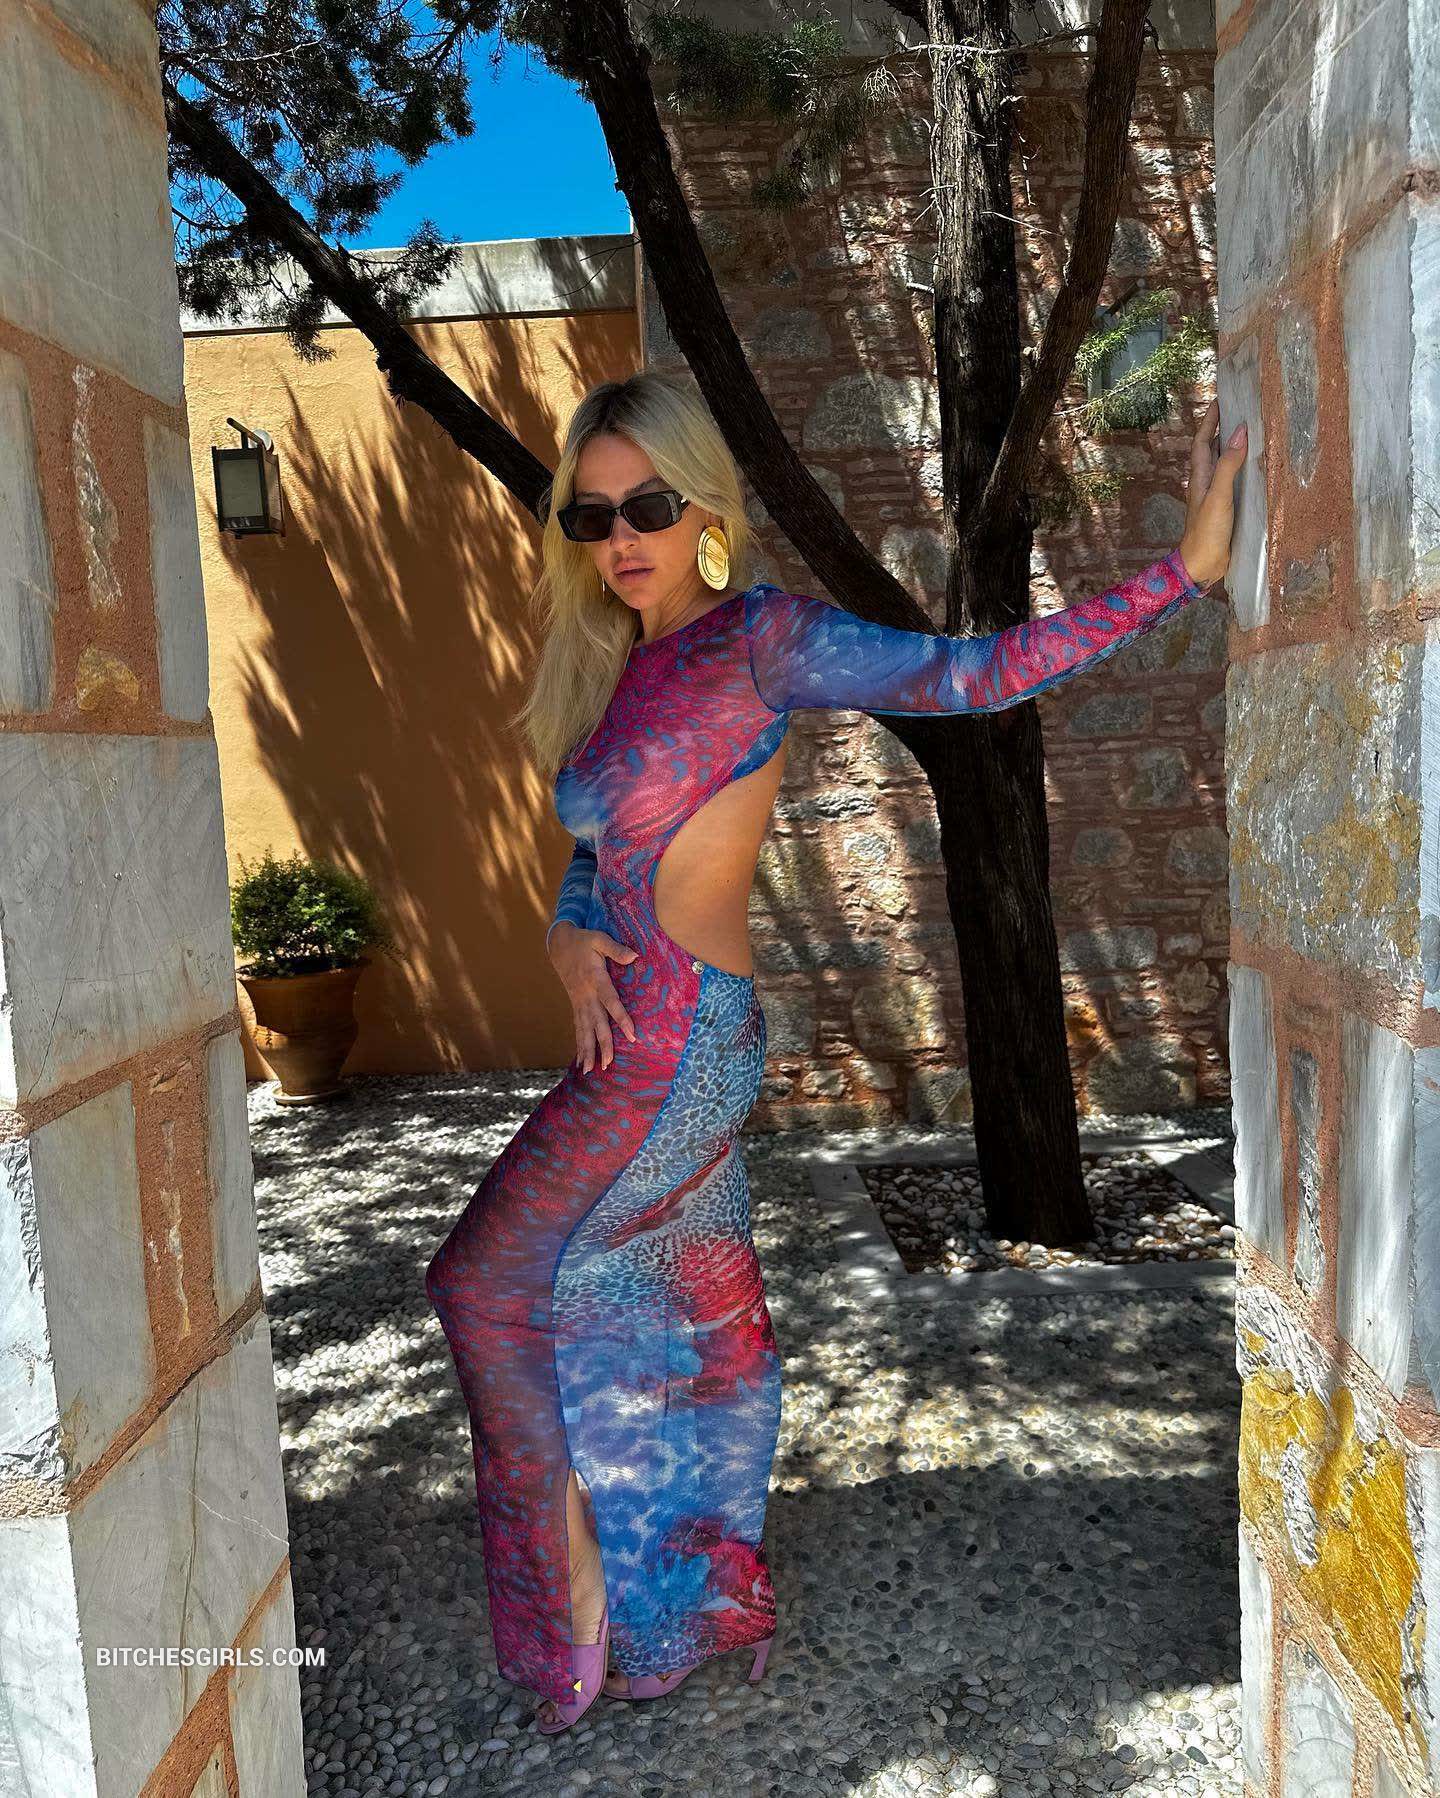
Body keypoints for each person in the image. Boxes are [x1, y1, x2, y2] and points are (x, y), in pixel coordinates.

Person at [424, 371, 1246, 1733]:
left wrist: (1180, 574)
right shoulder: (619, 668)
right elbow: (598, 848)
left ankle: (577, 1576)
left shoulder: (763, 638)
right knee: (673, 1310)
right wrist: (569, 936)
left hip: (678, 1043)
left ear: (705, 508)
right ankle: (681, 1605)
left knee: (486, 1283)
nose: (620, 537)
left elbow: (969, 675)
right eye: (591, 514)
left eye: (648, 505)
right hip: (647, 1032)